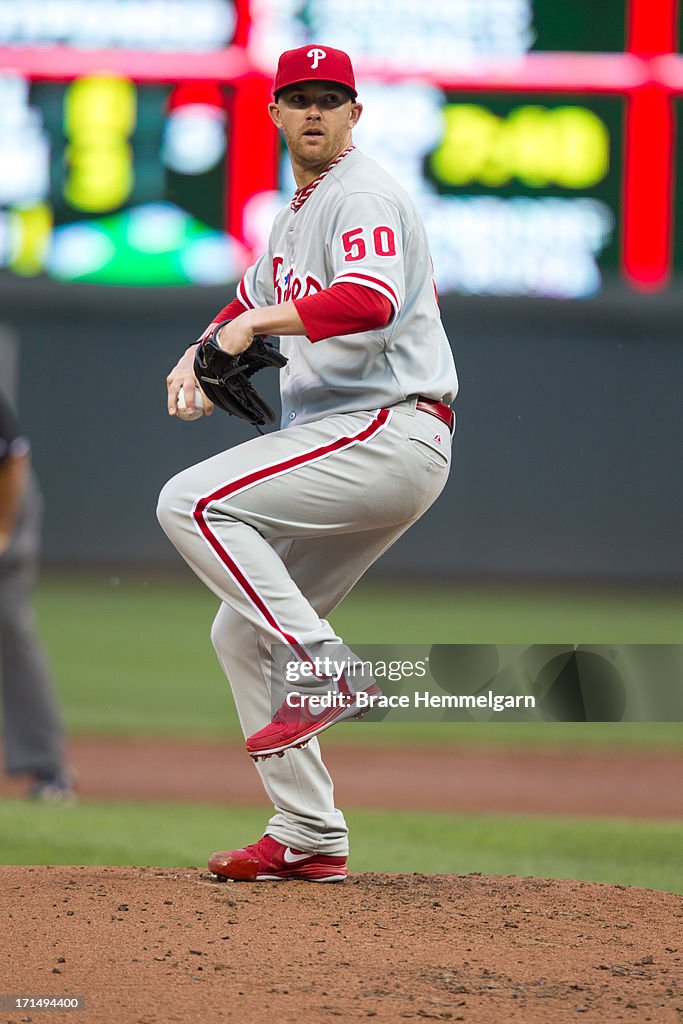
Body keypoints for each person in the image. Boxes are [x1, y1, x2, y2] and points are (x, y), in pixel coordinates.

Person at [157, 45, 458, 881]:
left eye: (332, 98)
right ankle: (309, 832)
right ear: (276, 113)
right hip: (354, 440)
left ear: (355, 113)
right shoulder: (298, 212)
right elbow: (249, 300)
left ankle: (326, 670)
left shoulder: (361, 191)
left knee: (192, 503)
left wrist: (249, 332)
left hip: (383, 427)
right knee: (239, 629)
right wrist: (200, 347)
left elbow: (370, 299)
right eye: (300, 98)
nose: (316, 111)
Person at [0, 392, 74, 802]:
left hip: (5, 498)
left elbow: (13, 456)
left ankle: (48, 767)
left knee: (10, 625)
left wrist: (4, 531)